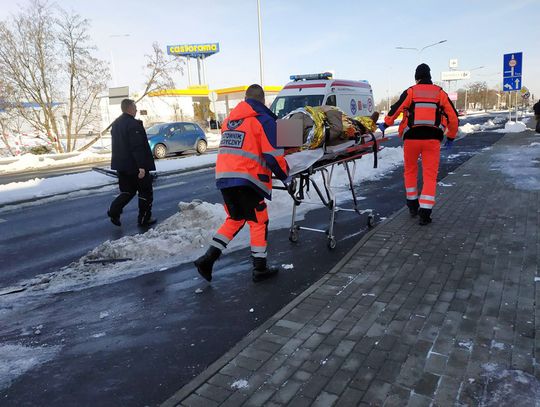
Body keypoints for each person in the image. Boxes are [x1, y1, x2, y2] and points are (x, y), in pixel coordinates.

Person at [194, 84, 289, 283]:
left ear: (246, 99)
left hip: (225, 178)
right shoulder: (263, 121)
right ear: (262, 100)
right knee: (259, 220)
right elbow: (273, 154)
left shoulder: (229, 121)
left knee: (236, 219)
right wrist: (285, 174)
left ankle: (207, 260)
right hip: (247, 179)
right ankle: (260, 268)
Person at [378, 63, 459, 225]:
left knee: (410, 172)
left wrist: (386, 124)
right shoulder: (440, 93)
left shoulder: (411, 91)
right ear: (430, 77)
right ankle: (425, 213)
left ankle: (413, 205)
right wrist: (450, 136)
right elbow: (453, 117)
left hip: (411, 139)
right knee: (430, 176)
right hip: (432, 140)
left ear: (417, 78)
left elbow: (396, 108)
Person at [107, 98, 157, 227]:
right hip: (135, 165)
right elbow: (137, 146)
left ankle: (114, 211)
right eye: (135, 108)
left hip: (122, 166)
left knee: (127, 192)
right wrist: (141, 166)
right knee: (145, 191)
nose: (136, 110)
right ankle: (144, 218)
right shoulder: (133, 125)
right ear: (129, 109)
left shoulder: (116, 124)